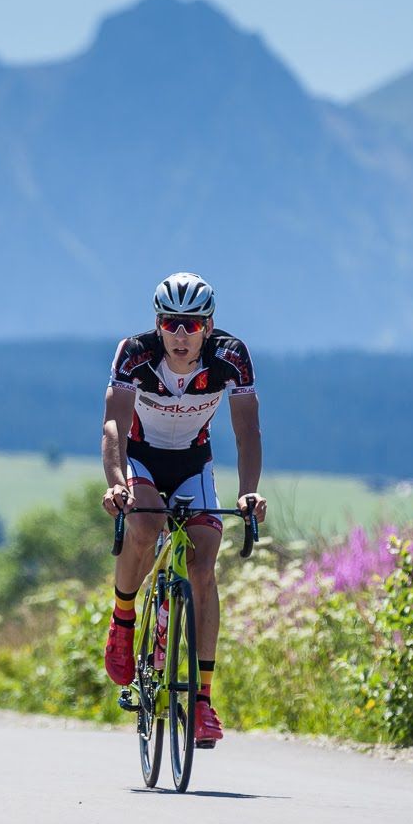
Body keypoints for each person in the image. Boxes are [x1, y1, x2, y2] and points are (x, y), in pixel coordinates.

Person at [100, 273, 266, 747]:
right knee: (146, 524)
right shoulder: (135, 353)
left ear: (209, 327)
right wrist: (116, 485)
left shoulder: (232, 357)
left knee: (205, 561)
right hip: (142, 457)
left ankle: (202, 702)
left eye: (191, 325)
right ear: (157, 322)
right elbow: (113, 425)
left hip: (194, 461)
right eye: (171, 323)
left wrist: (248, 491)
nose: (180, 334)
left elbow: (247, 430)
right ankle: (124, 619)